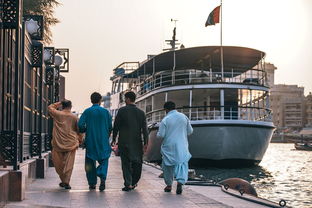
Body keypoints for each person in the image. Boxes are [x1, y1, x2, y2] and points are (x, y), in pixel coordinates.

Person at [111, 91, 148, 191]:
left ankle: (128, 183)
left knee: (126, 164)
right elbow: (145, 129)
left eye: (124, 98)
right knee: (137, 163)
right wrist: (146, 143)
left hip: (124, 142)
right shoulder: (141, 113)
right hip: (137, 143)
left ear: (127, 99)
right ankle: (134, 182)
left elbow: (116, 126)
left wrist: (114, 138)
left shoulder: (122, 111)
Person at [157, 101, 193, 194]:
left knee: (167, 166)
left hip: (169, 146)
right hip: (182, 145)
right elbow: (190, 131)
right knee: (182, 164)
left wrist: (157, 134)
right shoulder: (184, 117)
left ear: (166, 109)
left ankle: (169, 185)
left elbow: (161, 135)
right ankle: (180, 182)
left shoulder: (165, 119)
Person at [78, 92, 112, 191]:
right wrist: (107, 135)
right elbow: (110, 127)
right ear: (100, 100)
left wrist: (84, 130)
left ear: (91, 100)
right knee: (104, 159)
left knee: (89, 162)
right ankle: (102, 176)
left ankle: (92, 183)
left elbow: (80, 125)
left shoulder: (87, 111)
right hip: (103, 140)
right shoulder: (106, 112)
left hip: (91, 140)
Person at [48, 100, 83, 189]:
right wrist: (80, 140)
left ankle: (64, 180)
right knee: (69, 164)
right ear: (71, 107)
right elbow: (79, 130)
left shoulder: (58, 114)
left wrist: (58, 103)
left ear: (62, 106)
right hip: (71, 143)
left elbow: (50, 107)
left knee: (58, 163)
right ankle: (66, 181)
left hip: (58, 143)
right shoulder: (74, 117)